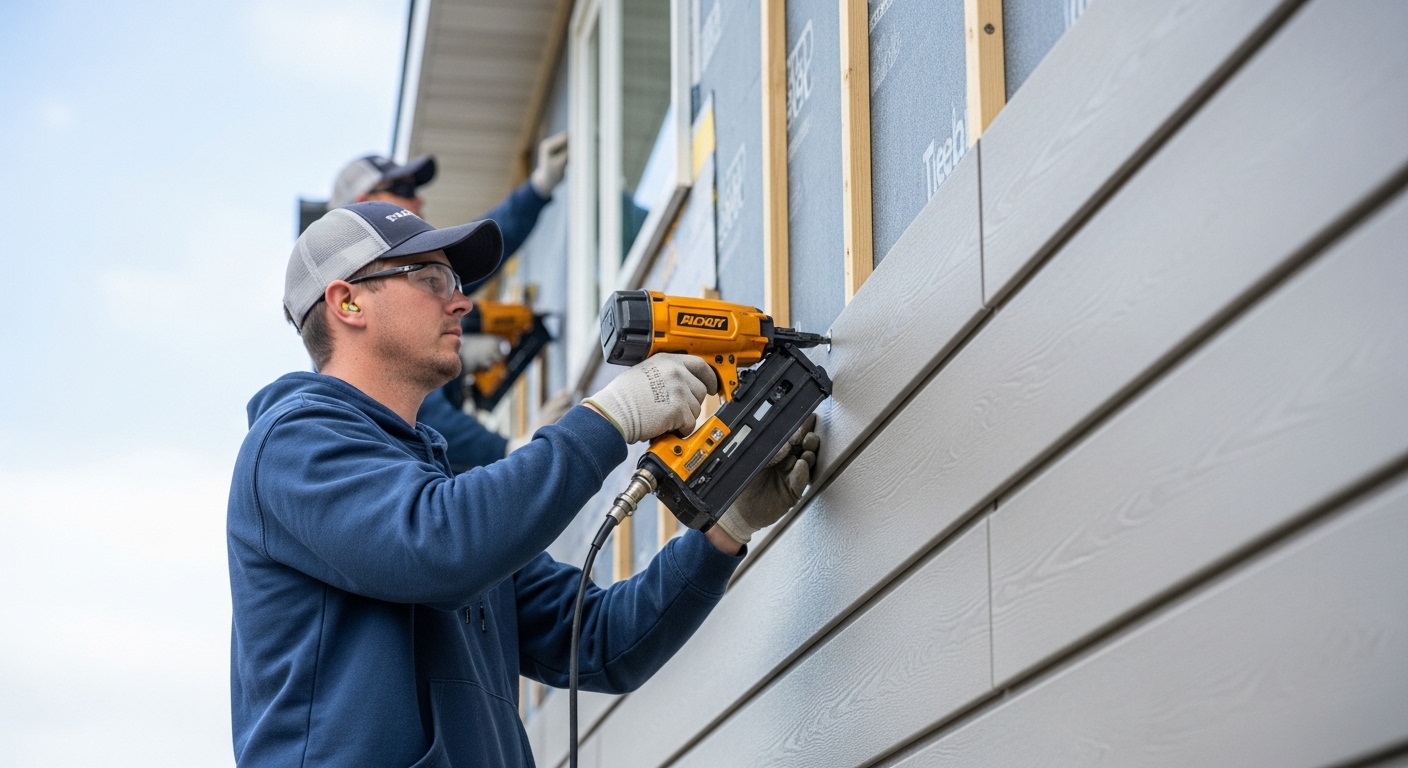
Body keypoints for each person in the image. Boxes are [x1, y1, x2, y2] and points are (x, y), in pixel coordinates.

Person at [228, 201, 819, 766]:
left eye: (455, 282)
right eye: (431, 279)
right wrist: (609, 417)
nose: (461, 302)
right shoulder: (292, 445)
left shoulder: (445, 495)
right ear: (348, 302)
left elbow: (601, 641)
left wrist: (724, 528)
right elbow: (438, 546)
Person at [328, 132, 571, 470]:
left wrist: (539, 187)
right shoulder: (364, 309)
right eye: (404, 189)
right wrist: (509, 450)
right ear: (364, 203)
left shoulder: (382, 288)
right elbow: (417, 408)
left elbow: (491, 241)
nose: (418, 200)